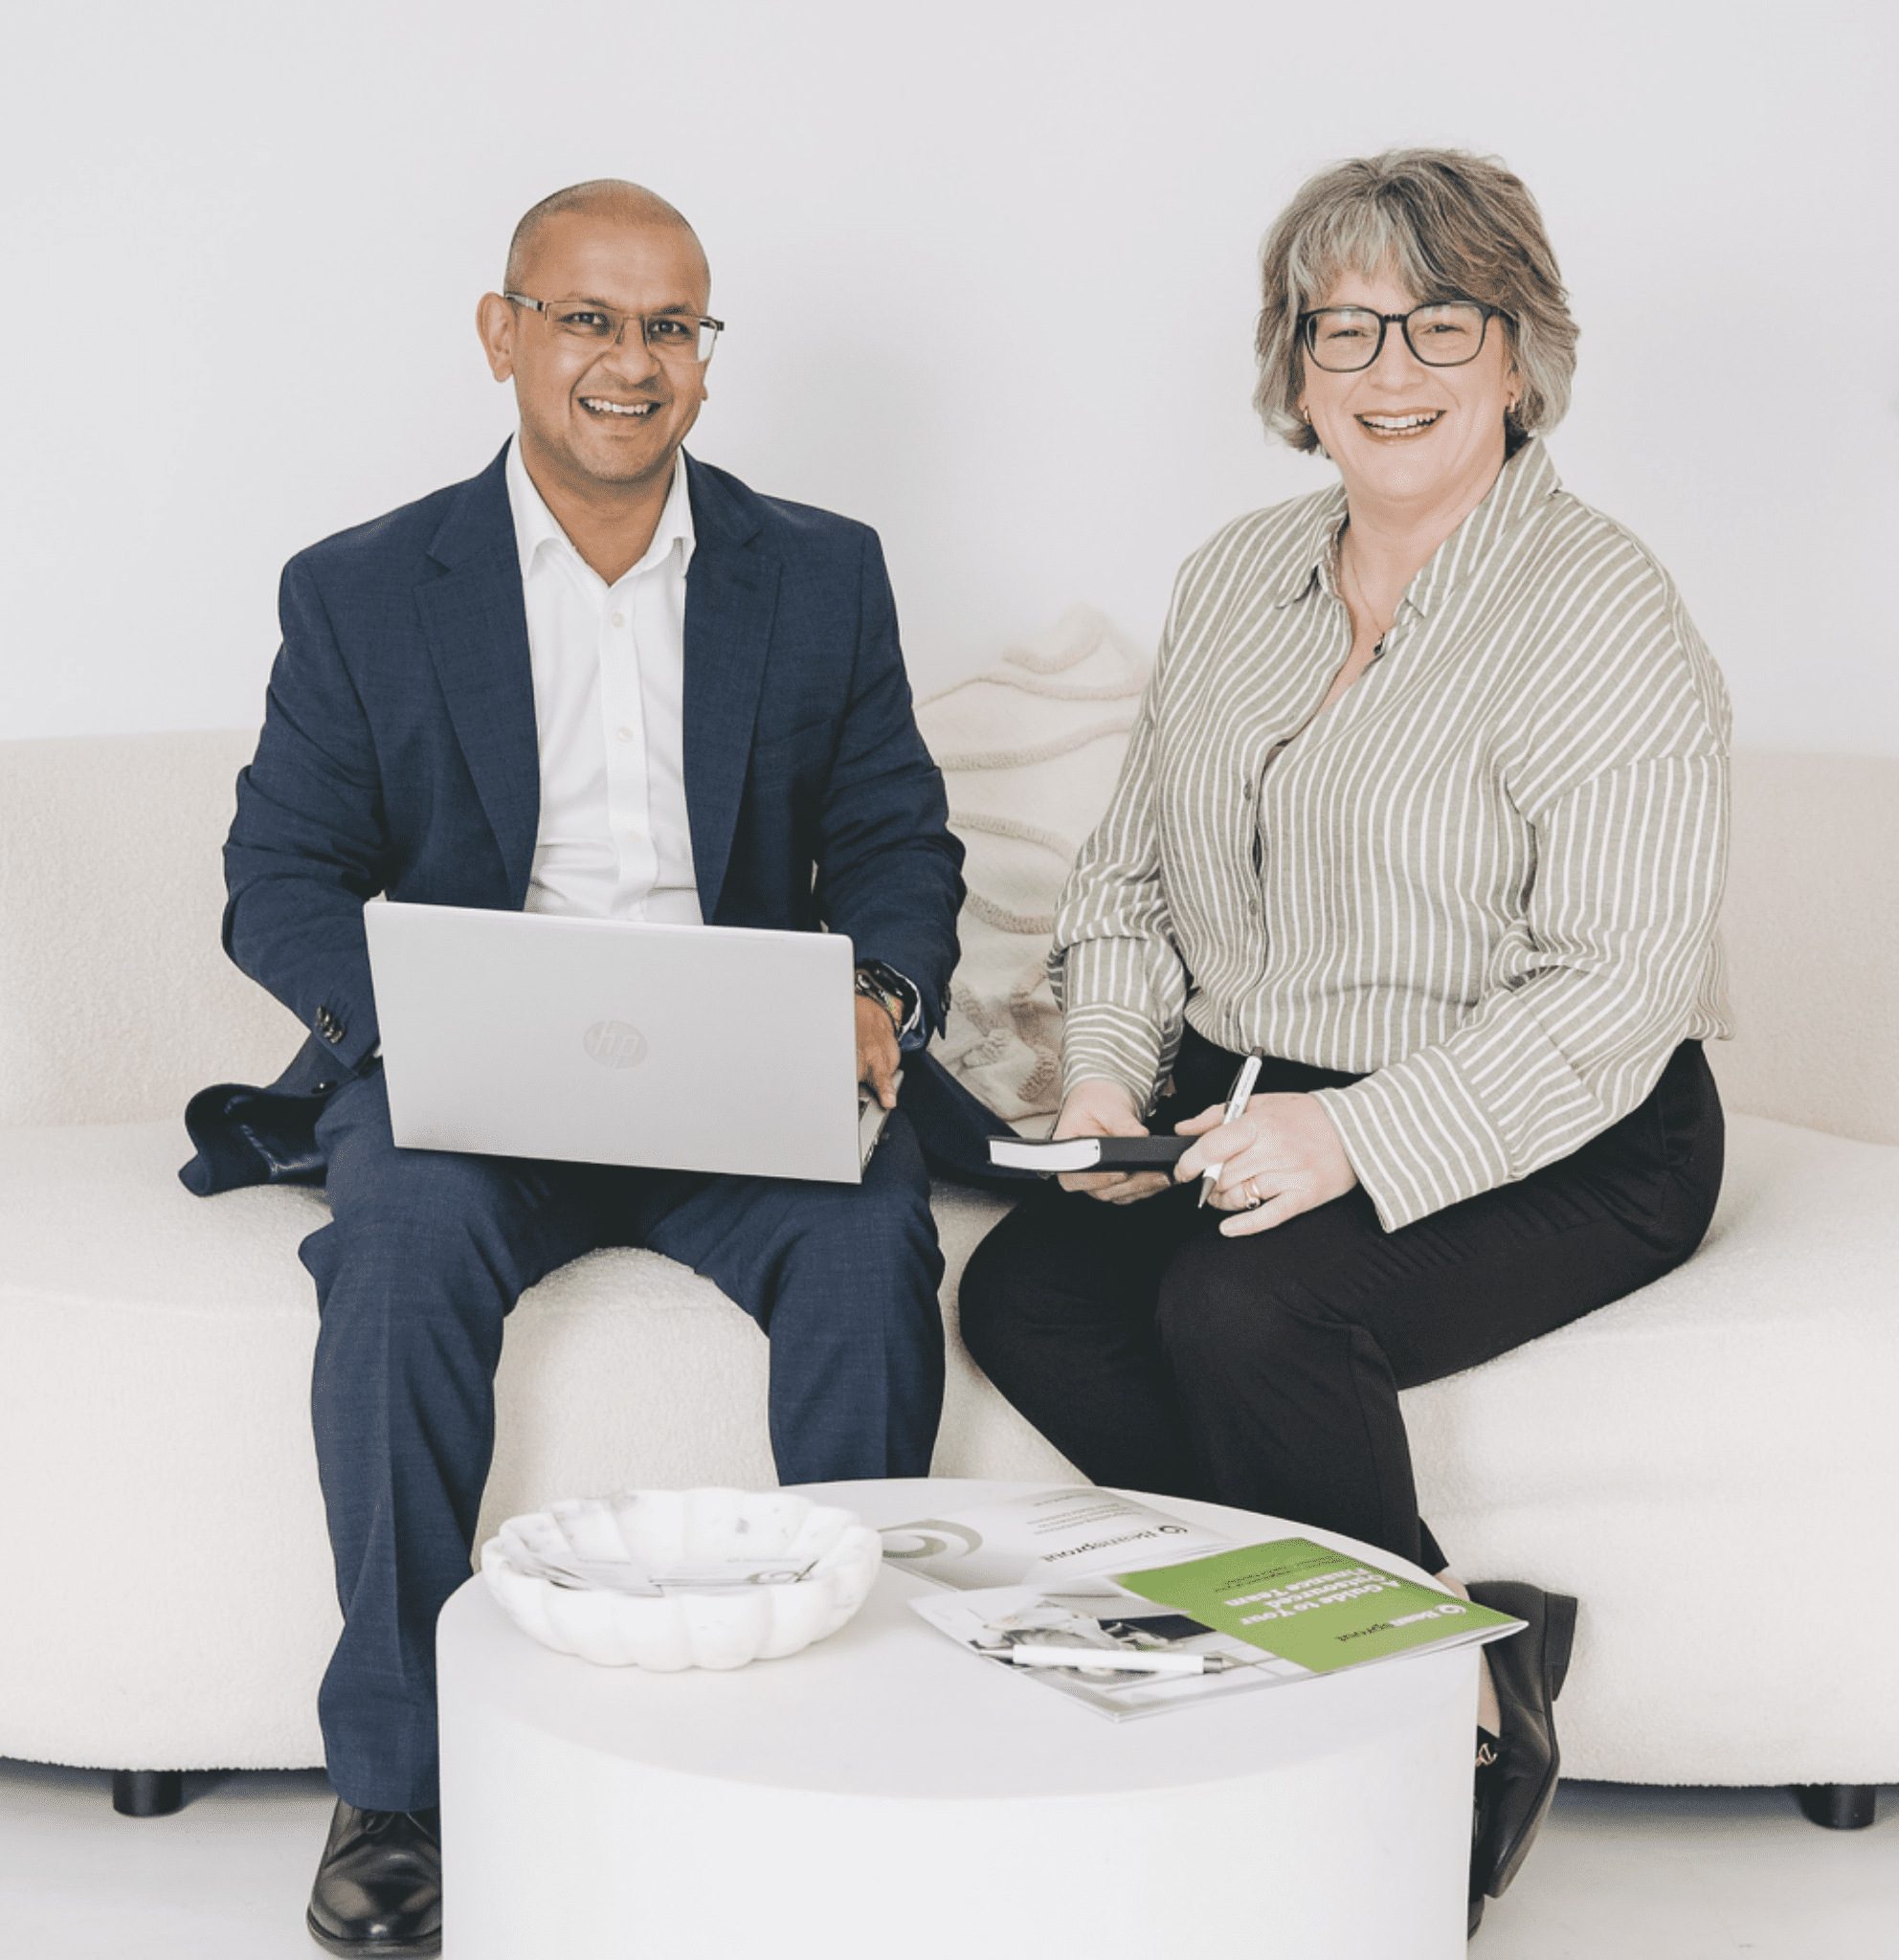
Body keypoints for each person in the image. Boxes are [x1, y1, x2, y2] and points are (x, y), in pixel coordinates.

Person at [180, 179, 1003, 1959]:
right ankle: (398, 1785)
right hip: (472, 1081)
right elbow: (280, 874)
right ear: (504, 335)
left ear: (705, 354)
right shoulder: (363, 588)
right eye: (589, 318)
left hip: (741, 1077)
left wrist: (875, 996)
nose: (633, 361)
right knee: (396, 1250)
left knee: (869, 1248)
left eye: (671, 326)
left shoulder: (822, 570)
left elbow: (896, 839)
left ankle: (841, 1754)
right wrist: (416, 1020)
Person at [957, 148, 1730, 1933]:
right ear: (1293, 366)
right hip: (1259, 1089)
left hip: (1578, 1114)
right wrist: (1106, 1075)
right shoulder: (1236, 578)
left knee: (1249, 1304)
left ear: (1519, 356)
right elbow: (1131, 880)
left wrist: (1355, 1140)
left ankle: (1438, 1736)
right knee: (1033, 1296)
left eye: (1441, 322)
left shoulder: (1606, 613)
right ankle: (1433, 1638)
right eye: (1344, 328)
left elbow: (1615, 989)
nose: (1392, 369)